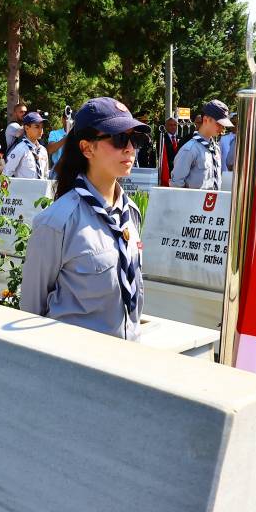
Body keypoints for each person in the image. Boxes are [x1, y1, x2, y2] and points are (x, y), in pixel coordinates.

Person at [20, 97, 149, 340]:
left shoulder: (129, 214)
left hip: (128, 359)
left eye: (136, 139)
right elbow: (31, 309)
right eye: (120, 138)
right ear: (87, 148)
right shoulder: (57, 222)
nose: (130, 148)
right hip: (77, 366)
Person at [169, 100, 232, 190]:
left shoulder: (215, 149)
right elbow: (176, 186)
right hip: (194, 203)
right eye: (219, 124)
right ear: (206, 120)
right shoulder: (190, 149)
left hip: (214, 202)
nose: (222, 128)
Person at [3, 111, 49, 179]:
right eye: (37, 127)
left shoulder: (43, 150)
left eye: (42, 127)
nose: (41, 130)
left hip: (41, 189)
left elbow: (45, 175)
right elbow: (6, 174)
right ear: (26, 128)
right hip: (23, 189)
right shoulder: (20, 149)